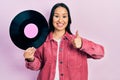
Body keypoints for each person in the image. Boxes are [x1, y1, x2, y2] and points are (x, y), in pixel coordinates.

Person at [23, 3, 104, 80]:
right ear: (51, 18)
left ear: (69, 19)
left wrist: (82, 44)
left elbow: (100, 53)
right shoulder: (43, 42)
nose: (60, 20)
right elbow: (37, 66)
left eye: (64, 16)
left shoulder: (77, 41)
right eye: (56, 16)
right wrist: (31, 59)